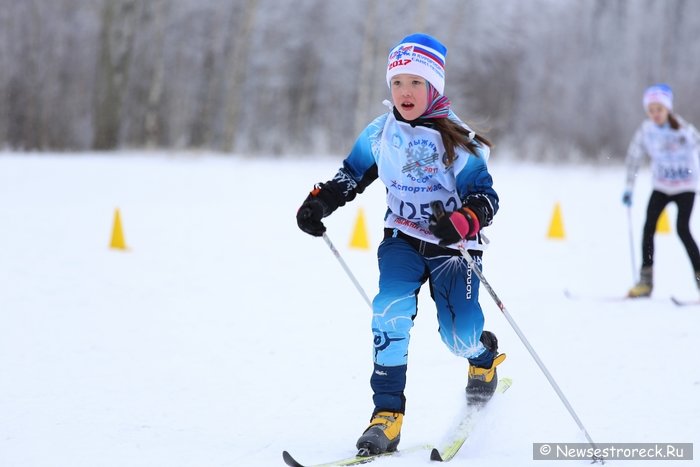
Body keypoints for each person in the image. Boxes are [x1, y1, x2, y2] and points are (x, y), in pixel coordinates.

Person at [295, 33, 505, 456]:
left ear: (433, 87)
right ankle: (386, 417)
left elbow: (486, 198)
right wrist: (318, 203)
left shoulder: (461, 141)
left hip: (454, 251)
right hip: (402, 240)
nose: (405, 92)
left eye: (415, 83)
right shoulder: (380, 133)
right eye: (397, 83)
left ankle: (482, 360)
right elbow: (349, 176)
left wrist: (464, 219)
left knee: (458, 337)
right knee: (388, 312)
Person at [623, 83, 700, 297]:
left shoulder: (683, 129)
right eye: (651, 110)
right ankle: (645, 282)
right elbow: (633, 158)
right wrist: (629, 188)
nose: (655, 114)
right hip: (662, 187)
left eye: (659, 109)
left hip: (685, 187)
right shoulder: (646, 131)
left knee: (682, 229)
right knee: (648, 229)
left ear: (668, 109)